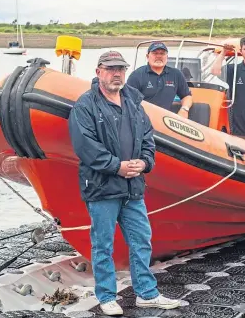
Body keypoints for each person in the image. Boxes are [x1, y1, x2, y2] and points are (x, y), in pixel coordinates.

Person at [68, 51, 180, 316]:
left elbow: (148, 139)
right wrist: (116, 166)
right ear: (98, 72)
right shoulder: (86, 105)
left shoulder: (133, 103)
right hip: (103, 186)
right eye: (110, 69)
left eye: (120, 68)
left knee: (142, 239)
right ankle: (107, 296)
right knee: (103, 244)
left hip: (133, 187)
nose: (116, 73)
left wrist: (144, 163)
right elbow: (85, 146)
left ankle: (146, 293)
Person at [126, 42, 193, 118]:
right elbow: (128, 101)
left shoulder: (176, 74)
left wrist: (184, 109)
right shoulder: (136, 75)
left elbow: (186, 96)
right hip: (142, 120)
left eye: (162, 53)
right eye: (155, 53)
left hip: (165, 121)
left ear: (167, 57)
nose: (159, 56)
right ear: (147, 56)